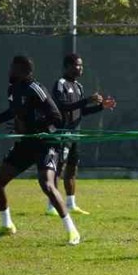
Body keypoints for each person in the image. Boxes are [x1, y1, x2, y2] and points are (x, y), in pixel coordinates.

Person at [0, 55, 80, 246]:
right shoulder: (13, 89)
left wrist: (35, 128)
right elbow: (13, 112)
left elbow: (56, 117)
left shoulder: (35, 88)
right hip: (26, 144)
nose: (9, 71)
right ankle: (7, 226)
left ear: (24, 71)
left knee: (47, 184)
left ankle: (72, 230)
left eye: (13, 68)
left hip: (45, 143)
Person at [47, 54, 116, 216]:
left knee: (72, 169)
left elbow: (81, 111)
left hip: (75, 134)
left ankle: (71, 204)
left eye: (81, 65)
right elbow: (62, 106)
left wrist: (101, 107)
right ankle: (51, 206)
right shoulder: (60, 84)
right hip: (62, 134)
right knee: (58, 168)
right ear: (68, 66)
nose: (80, 68)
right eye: (77, 65)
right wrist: (87, 100)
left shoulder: (78, 86)